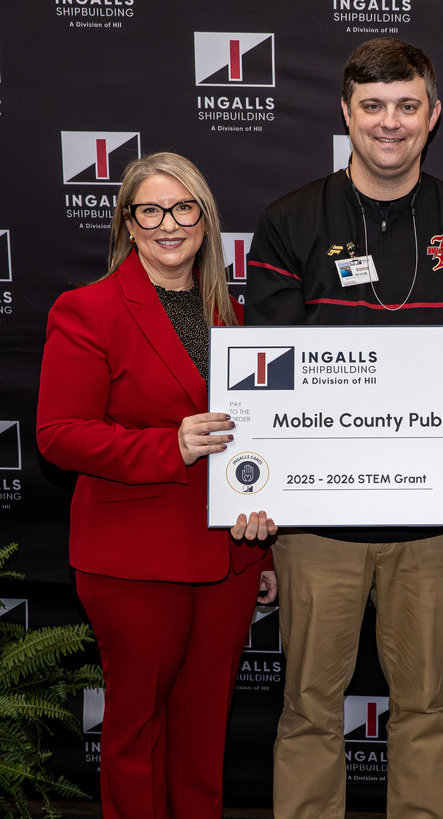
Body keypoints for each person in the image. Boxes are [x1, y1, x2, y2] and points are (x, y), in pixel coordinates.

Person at [243, 38, 443, 818]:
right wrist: (259, 492)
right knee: (306, 710)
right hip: (318, 525)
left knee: (426, 709)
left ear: (433, 115)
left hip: (432, 526)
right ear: (346, 113)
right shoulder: (290, 219)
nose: (388, 124)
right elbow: (266, 381)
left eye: (405, 106)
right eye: (372, 107)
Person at [36, 152, 278, 819]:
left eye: (184, 208)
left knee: (203, 737)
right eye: (152, 209)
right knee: (137, 731)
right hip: (134, 558)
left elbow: (250, 444)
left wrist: (264, 549)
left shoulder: (225, 313)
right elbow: (58, 433)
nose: (169, 223)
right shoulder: (88, 310)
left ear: (205, 219)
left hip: (227, 558)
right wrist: (166, 443)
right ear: (128, 222)